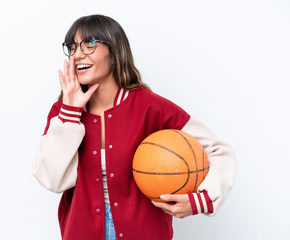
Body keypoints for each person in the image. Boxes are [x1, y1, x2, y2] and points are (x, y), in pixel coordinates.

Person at [32, 14, 236, 240]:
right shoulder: (63, 111)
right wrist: (70, 112)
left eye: (89, 44)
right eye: (72, 47)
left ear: (114, 51)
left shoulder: (150, 107)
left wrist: (202, 200)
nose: (78, 54)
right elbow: (52, 180)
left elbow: (219, 151)